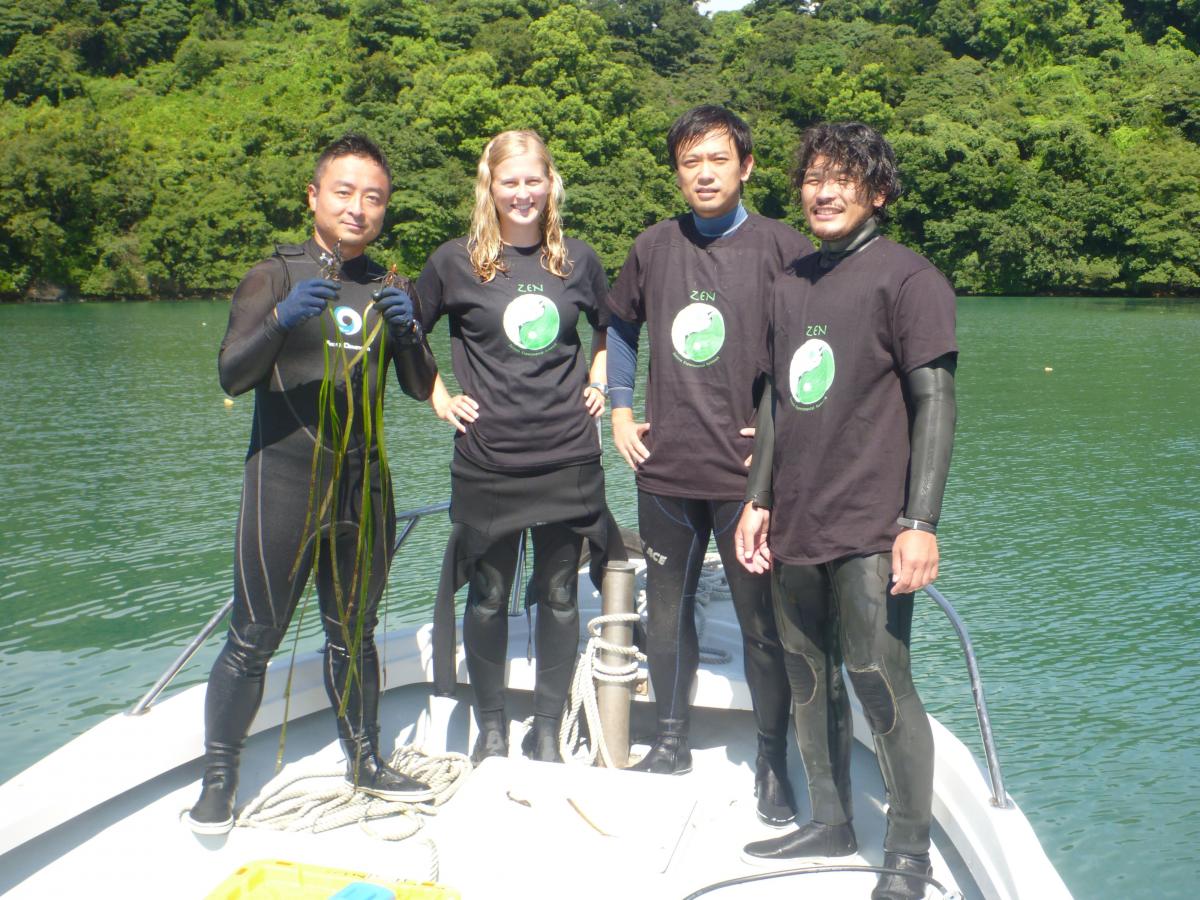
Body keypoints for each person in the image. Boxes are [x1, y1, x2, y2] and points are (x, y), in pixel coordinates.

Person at [186, 134, 439, 835]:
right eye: (345, 192)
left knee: (353, 635)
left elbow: (419, 390)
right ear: (314, 196)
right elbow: (232, 374)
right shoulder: (274, 276)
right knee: (253, 636)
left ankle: (366, 760)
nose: (359, 207)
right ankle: (219, 780)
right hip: (284, 482)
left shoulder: (391, 286)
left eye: (374, 197)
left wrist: (412, 331)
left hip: (365, 488)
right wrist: (278, 322)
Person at [735, 121, 958, 900]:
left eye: (843, 179)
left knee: (874, 673)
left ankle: (909, 853)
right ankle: (830, 818)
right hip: (797, 515)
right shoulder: (790, 278)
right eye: (812, 178)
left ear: (878, 192)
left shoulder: (909, 278)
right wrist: (756, 498)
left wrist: (920, 521)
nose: (823, 191)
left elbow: (935, 403)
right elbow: (773, 400)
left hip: (871, 520)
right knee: (806, 671)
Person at [606, 105, 813, 827]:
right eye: (690, 161)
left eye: (718, 159)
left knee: (762, 624)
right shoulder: (653, 246)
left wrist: (784, 429)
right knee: (664, 617)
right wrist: (621, 408)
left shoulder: (784, 248)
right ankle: (668, 738)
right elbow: (620, 326)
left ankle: (770, 761)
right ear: (676, 171)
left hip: (747, 475)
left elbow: (815, 346)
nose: (703, 172)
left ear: (745, 166)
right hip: (665, 467)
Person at [420, 130, 622, 764]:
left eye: (534, 179)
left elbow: (613, 325)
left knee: (560, 596)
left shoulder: (579, 261)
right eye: (510, 180)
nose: (523, 192)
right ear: (490, 186)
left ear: (551, 183)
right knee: (488, 595)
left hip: (567, 455)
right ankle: (492, 727)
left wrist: (600, 379)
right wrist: (441, 400)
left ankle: (546, 729)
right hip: (488, 461)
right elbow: (407, 331)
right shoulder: (453, 262)